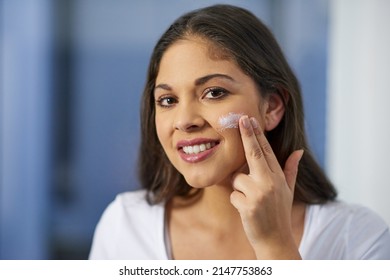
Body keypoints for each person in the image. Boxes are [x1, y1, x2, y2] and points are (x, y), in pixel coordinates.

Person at [89, 4, 390, 260]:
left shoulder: (357, 238)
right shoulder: (124, 227)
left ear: (272, 107)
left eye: (214, 92)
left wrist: (276, 246)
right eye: (168, 100)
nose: (184, 120)